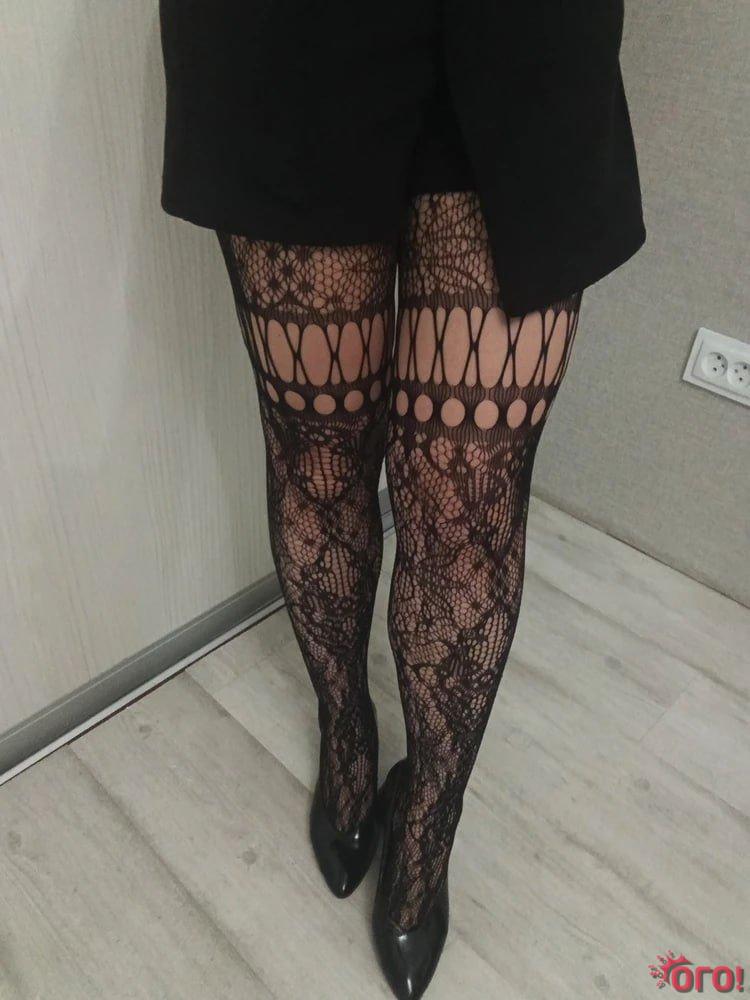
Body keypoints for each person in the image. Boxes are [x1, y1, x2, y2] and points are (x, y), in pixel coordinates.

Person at [159, 2, 646, 996]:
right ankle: (348, 732)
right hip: (287, 30)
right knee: (320, 458)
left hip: (528, 31)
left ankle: (429, 818)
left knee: (468, 510)